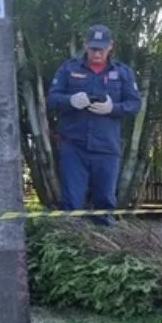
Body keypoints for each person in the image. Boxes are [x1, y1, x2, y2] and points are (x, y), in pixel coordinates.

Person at [47, 24, 143, 225]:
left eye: (101, 48)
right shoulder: (69, 69)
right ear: (85, 46)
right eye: (93, 48)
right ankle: (72, 244)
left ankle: (104, 244)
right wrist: (70, 101)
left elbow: (134, 104)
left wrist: (113, 108)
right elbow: (52, 99)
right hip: (74, 147)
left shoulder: (123, 73)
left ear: (111, 47)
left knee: (105, 202)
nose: (97, 53)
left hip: (107, 148)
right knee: (72, 203)